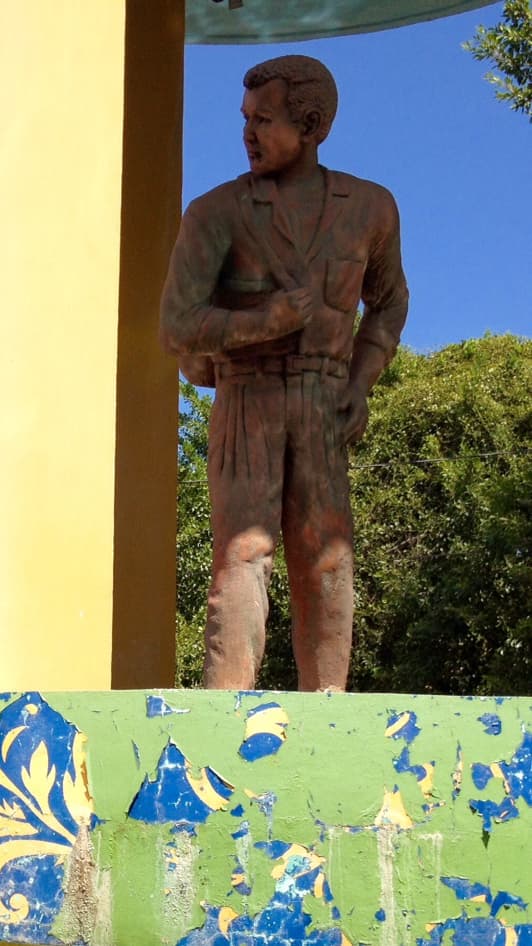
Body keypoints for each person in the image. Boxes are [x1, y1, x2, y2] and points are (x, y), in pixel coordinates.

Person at [160, 55, 408, 691]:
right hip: (248, 396)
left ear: (312, 124)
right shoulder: (214, 213)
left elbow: (388, 303)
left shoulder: (371, 208)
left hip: (325, 399)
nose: (247, 133)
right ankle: (227, 708)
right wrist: (264, 320)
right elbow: (177, 325)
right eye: (245, 118)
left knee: (327, 561)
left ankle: (327, 709)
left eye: (263, 120)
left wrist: (360, 383)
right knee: (244, 552)